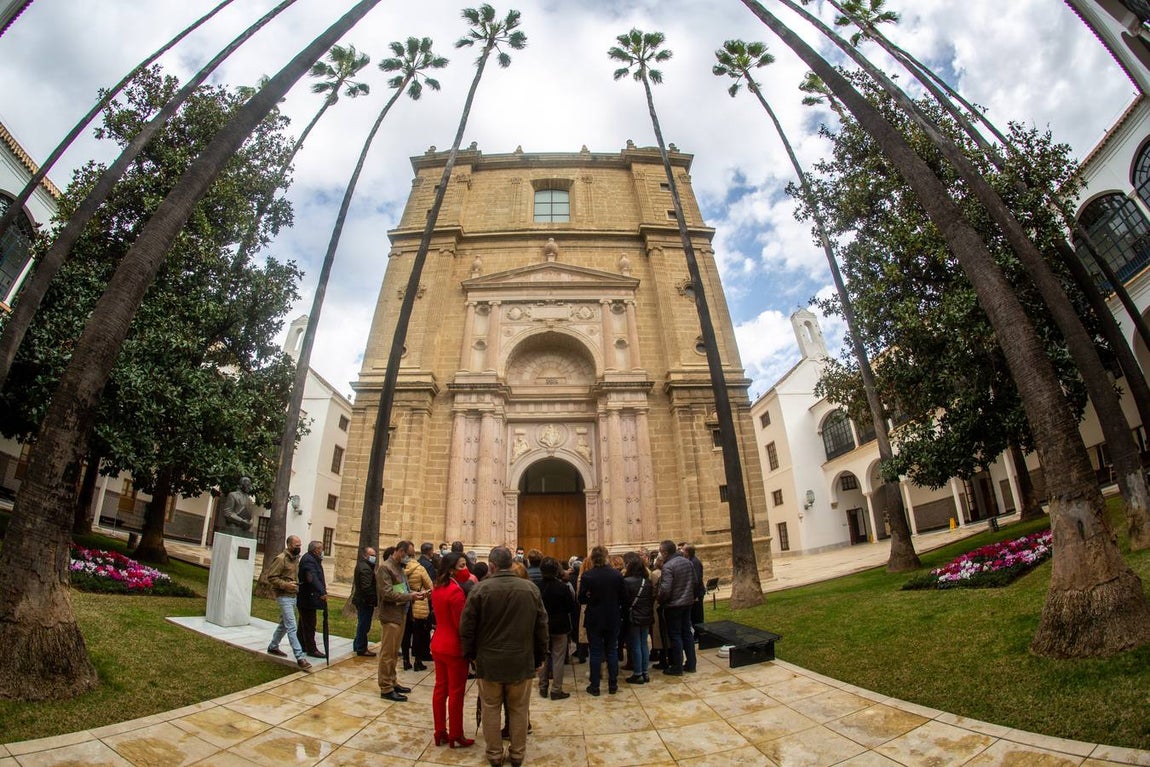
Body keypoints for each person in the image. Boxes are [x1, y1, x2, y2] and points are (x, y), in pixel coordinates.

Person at [460, 546, 548, 767]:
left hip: (489, 662)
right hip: (521, 661)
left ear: (491, 565)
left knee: (490, 708)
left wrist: (471, 655)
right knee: (519, 709)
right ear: (512, 563)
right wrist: (539, 657)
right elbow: (541, 627)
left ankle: (494, 755)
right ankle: (517, 755)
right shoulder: (530, 589)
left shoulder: (480, 590)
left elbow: (467, 627)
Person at [430, 553, 474, 749]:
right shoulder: (456, 592)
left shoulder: (437, 588)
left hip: (438, 643)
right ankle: (456, 733)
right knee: (456, 692)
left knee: (440, 689)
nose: (465, 569)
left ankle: (440, 730)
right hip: (453, 647)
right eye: (462, 565)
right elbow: (461, 625)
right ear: (451, 569)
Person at [376, 540, 427, 701]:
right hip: (391, 615)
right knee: (387, 653)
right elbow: (387, 593)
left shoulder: (400, 568)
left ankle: (393, 681)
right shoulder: (386, 568)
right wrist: (409, 596)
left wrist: (416, 594)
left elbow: (402, 589)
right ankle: (385, 687)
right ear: (400, 551)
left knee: (394, 653)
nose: (411, 558)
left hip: (401, 614)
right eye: (409, 555)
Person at [578, 545, 626, 696]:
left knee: (596, 652)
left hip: (594, 618)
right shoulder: (616, 575)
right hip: (612, 617)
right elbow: (624, 598)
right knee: (612, 650)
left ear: (592, 558)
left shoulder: (587, 576)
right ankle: (613, 685)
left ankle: (595, 686)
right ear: (606, 557)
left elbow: (581, 599)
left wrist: (591, 596)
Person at [265, 535, 311, 670]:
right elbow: (271, 577)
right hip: (283, 596)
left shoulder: (296, 559)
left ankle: (273, 646)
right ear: (289, 545)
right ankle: (300, 657)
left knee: (284, 624)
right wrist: (286, 585)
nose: (299, 548)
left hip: (293, 595)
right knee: (292, 626)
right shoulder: (281, 559)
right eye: (296, 545)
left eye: (300, 545)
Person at [537, 556, 577, 700]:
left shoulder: (537, 586)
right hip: (560, 626)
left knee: (543, 656)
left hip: (542, 627)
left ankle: (542, 687)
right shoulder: (562, 587)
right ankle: (556, 689)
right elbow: (571, 608)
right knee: (558, 658)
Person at [657, 539, 697, 675]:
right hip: (687, 603)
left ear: (665, 552)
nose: (660, 554)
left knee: (675, 635)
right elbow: (695, 581)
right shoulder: (688, 562)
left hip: (674, 605)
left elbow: (665, 589)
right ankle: (691, 664)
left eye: (661, 552)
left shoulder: (668, 566)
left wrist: (660, 599)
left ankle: (677, 666)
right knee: (687, 632)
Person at [622, 551, 654, 684]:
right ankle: (645, 672)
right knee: (644, 644)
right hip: (646, 616)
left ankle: (638, 673)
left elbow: (624, 600)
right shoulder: (647, 582)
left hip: (633, 616)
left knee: (635, 644)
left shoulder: (626, 581)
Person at [402, 550, 434, 671]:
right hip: (418, 604)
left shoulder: (401, 569)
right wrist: (424, 594)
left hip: (405, 604)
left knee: (406, 634)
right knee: (418, 634)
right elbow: (430, 587)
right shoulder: (420, 569)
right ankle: (418, 661)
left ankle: (405, 660)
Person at [296, 540, 328, 659]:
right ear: (316, 550)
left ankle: (302, 644)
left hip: (307, 597)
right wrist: (322, 592)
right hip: (308, 597)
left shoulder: (312, 559)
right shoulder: (309, 560)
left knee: (303, 623)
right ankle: (311, 648)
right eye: (321, 549)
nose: (322, 551)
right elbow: (312, 578)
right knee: (309, 624)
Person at [352, 546, 377, 657]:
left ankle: (357, 644)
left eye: (374, 555)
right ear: (365, 555)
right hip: (365, 601)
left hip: (362, 600)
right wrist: (373, 599)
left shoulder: (364, 566)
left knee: (362, 623)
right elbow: (366, 587)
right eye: (371, 555)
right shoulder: (366, 568)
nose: (374, 557)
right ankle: (361, 648)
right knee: (364, 625)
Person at [685, 543, 705, 636]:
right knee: (694, 616)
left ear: (688, 552)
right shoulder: (691, 561)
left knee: (697, 616)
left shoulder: (695, 562)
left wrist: (695, 595)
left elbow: (696, 580)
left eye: (684, 550)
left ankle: (699, 635)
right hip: (694, 594)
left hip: (697, 594)